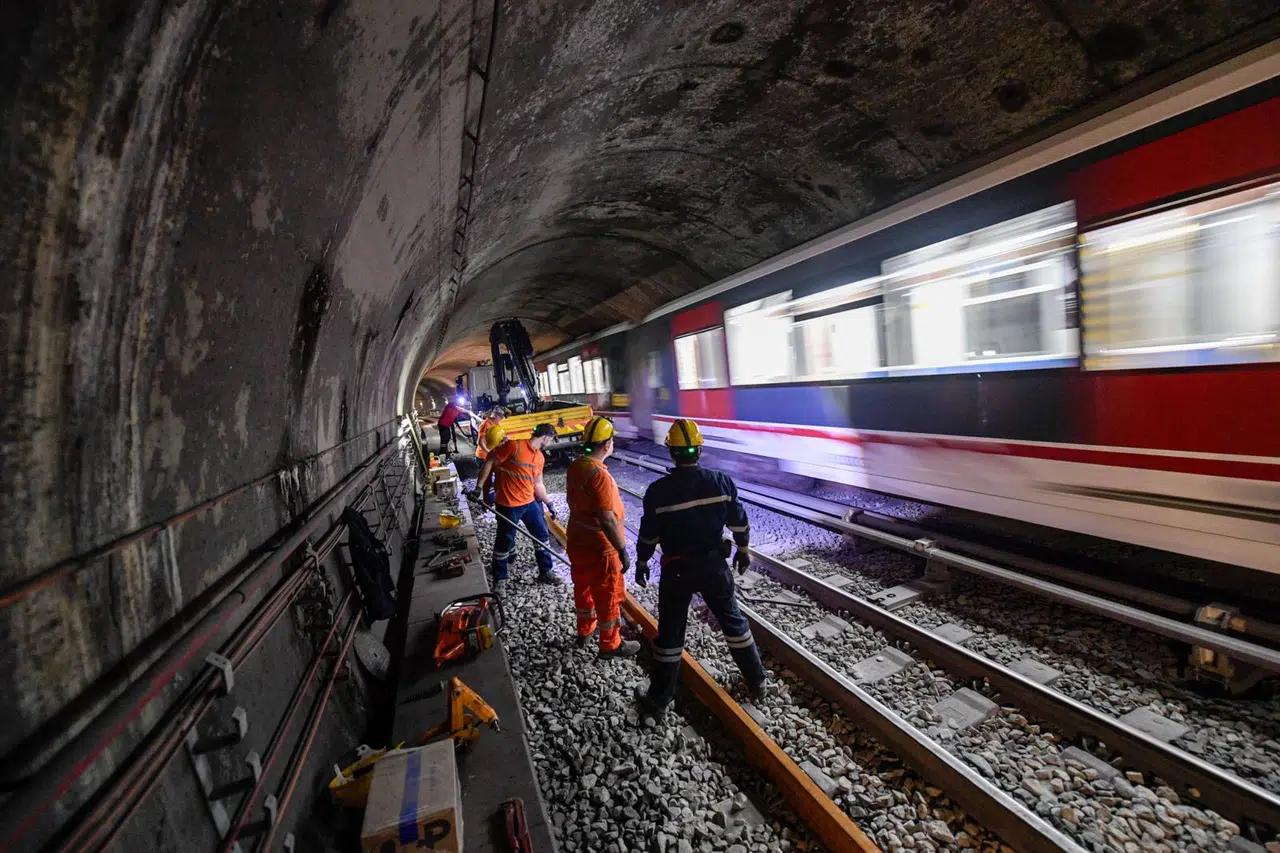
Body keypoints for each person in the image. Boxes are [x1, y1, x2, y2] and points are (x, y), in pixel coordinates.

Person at [634, 418, 766, 715]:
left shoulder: (658, 492)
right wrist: (743, 550)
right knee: (733, 623)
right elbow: (739, 522)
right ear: (700, 450)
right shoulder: (721, 482)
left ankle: (659, 699)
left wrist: (642, 561)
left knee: (670, 634)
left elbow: (648, 535)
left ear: (671, 452)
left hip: (677, 570)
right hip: (713, 566)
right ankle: (757, 681)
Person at [565, 417, 640, 658]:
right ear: (607, 444)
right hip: (600, 548)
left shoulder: (576, 466)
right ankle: (610, 645)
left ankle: (585, 630)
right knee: (608, 596)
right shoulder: (600, 475)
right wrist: (622, 550)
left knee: (583, 589)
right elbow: (607, 519)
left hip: (577, 541)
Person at [472, 423, 563, 586]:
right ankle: (500, 579)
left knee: (541, 534)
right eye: (550, 439)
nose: (550, 443)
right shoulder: (515, 446)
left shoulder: (539, 457)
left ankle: (545, 571)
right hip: (508, 504)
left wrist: (549, 502)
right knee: (505, 540)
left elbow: (538, 484)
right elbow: (490, 462)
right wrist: (479, 488)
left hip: (529, 502)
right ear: (545, 437)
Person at [474, 408, 507, 502]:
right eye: (500, 417)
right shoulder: (485, 424)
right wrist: (488, 452)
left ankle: (496, 499)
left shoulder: (496, 424)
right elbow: (480, 442)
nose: (501, 419)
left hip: (492, 455)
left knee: (498, 477)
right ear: (495, 415)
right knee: (486, 480)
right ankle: (485, 499)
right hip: (483, 456)